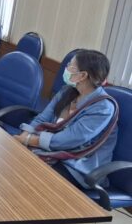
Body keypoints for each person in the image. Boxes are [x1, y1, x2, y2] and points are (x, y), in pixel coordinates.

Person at [13, 50, 117, 188]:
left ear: (83, 75)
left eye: (70, 66)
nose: (66, 69)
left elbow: (70, 139)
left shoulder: (103, 108)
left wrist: (29, 140)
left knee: (29, 178)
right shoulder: (66, 91)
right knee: (14, 158)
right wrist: (25, 135)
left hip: (77, 166)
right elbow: (43, 118)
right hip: (52, 151)